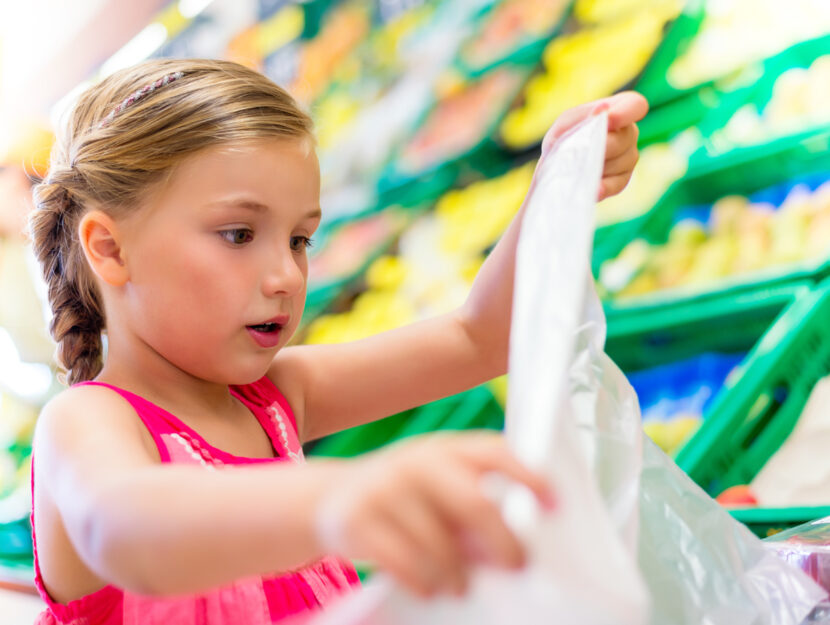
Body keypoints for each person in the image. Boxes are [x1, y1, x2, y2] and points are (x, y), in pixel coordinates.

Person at [28, 58, 647, 624]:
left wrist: (555, 190)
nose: (286, 276)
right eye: (239, 234)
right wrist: (336, 495)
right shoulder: (86, 422)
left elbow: (477, 338)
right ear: (110, 249)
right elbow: (126, 527)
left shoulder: (274, 398)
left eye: (300, 240)